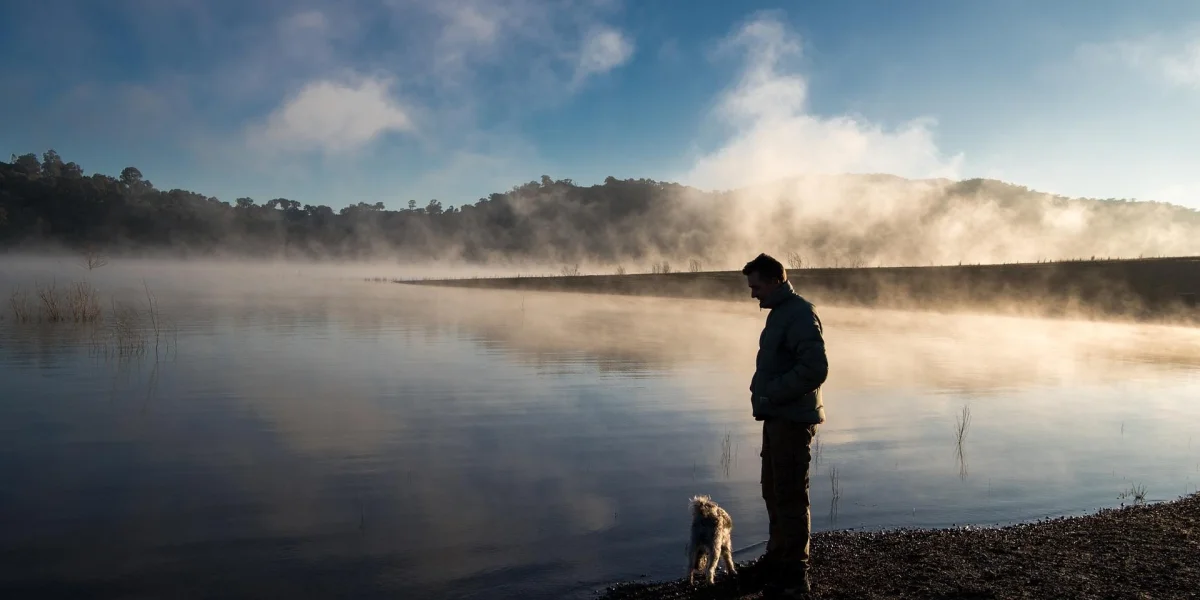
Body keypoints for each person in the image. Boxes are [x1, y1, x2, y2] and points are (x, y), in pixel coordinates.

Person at [742, 253, 828, 599]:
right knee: (772, 490)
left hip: (792, 421)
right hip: (778, 418)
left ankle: (795, 575)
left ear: (776, 281)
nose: (752, 294)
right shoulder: (781, 314)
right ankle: (777, 558)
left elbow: (815, 369)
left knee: (791, 496)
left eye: (756, 286)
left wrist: (772, 394)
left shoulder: (800, 314)